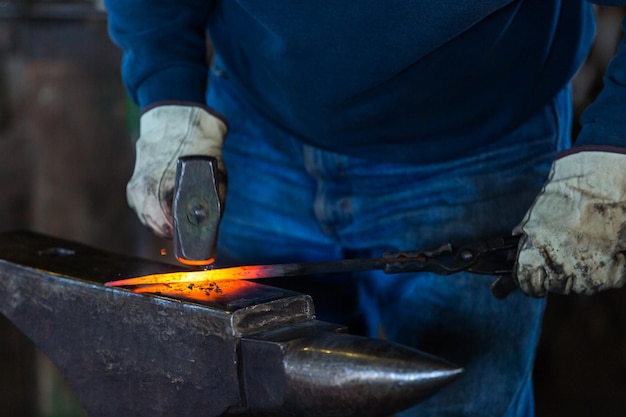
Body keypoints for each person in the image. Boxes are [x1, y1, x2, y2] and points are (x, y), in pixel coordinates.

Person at [103, 1, 626, 416]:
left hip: (478, 145)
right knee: (255, 397)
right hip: (258, 124)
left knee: (461, 396)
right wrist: (166, 86)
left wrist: (615, 148)